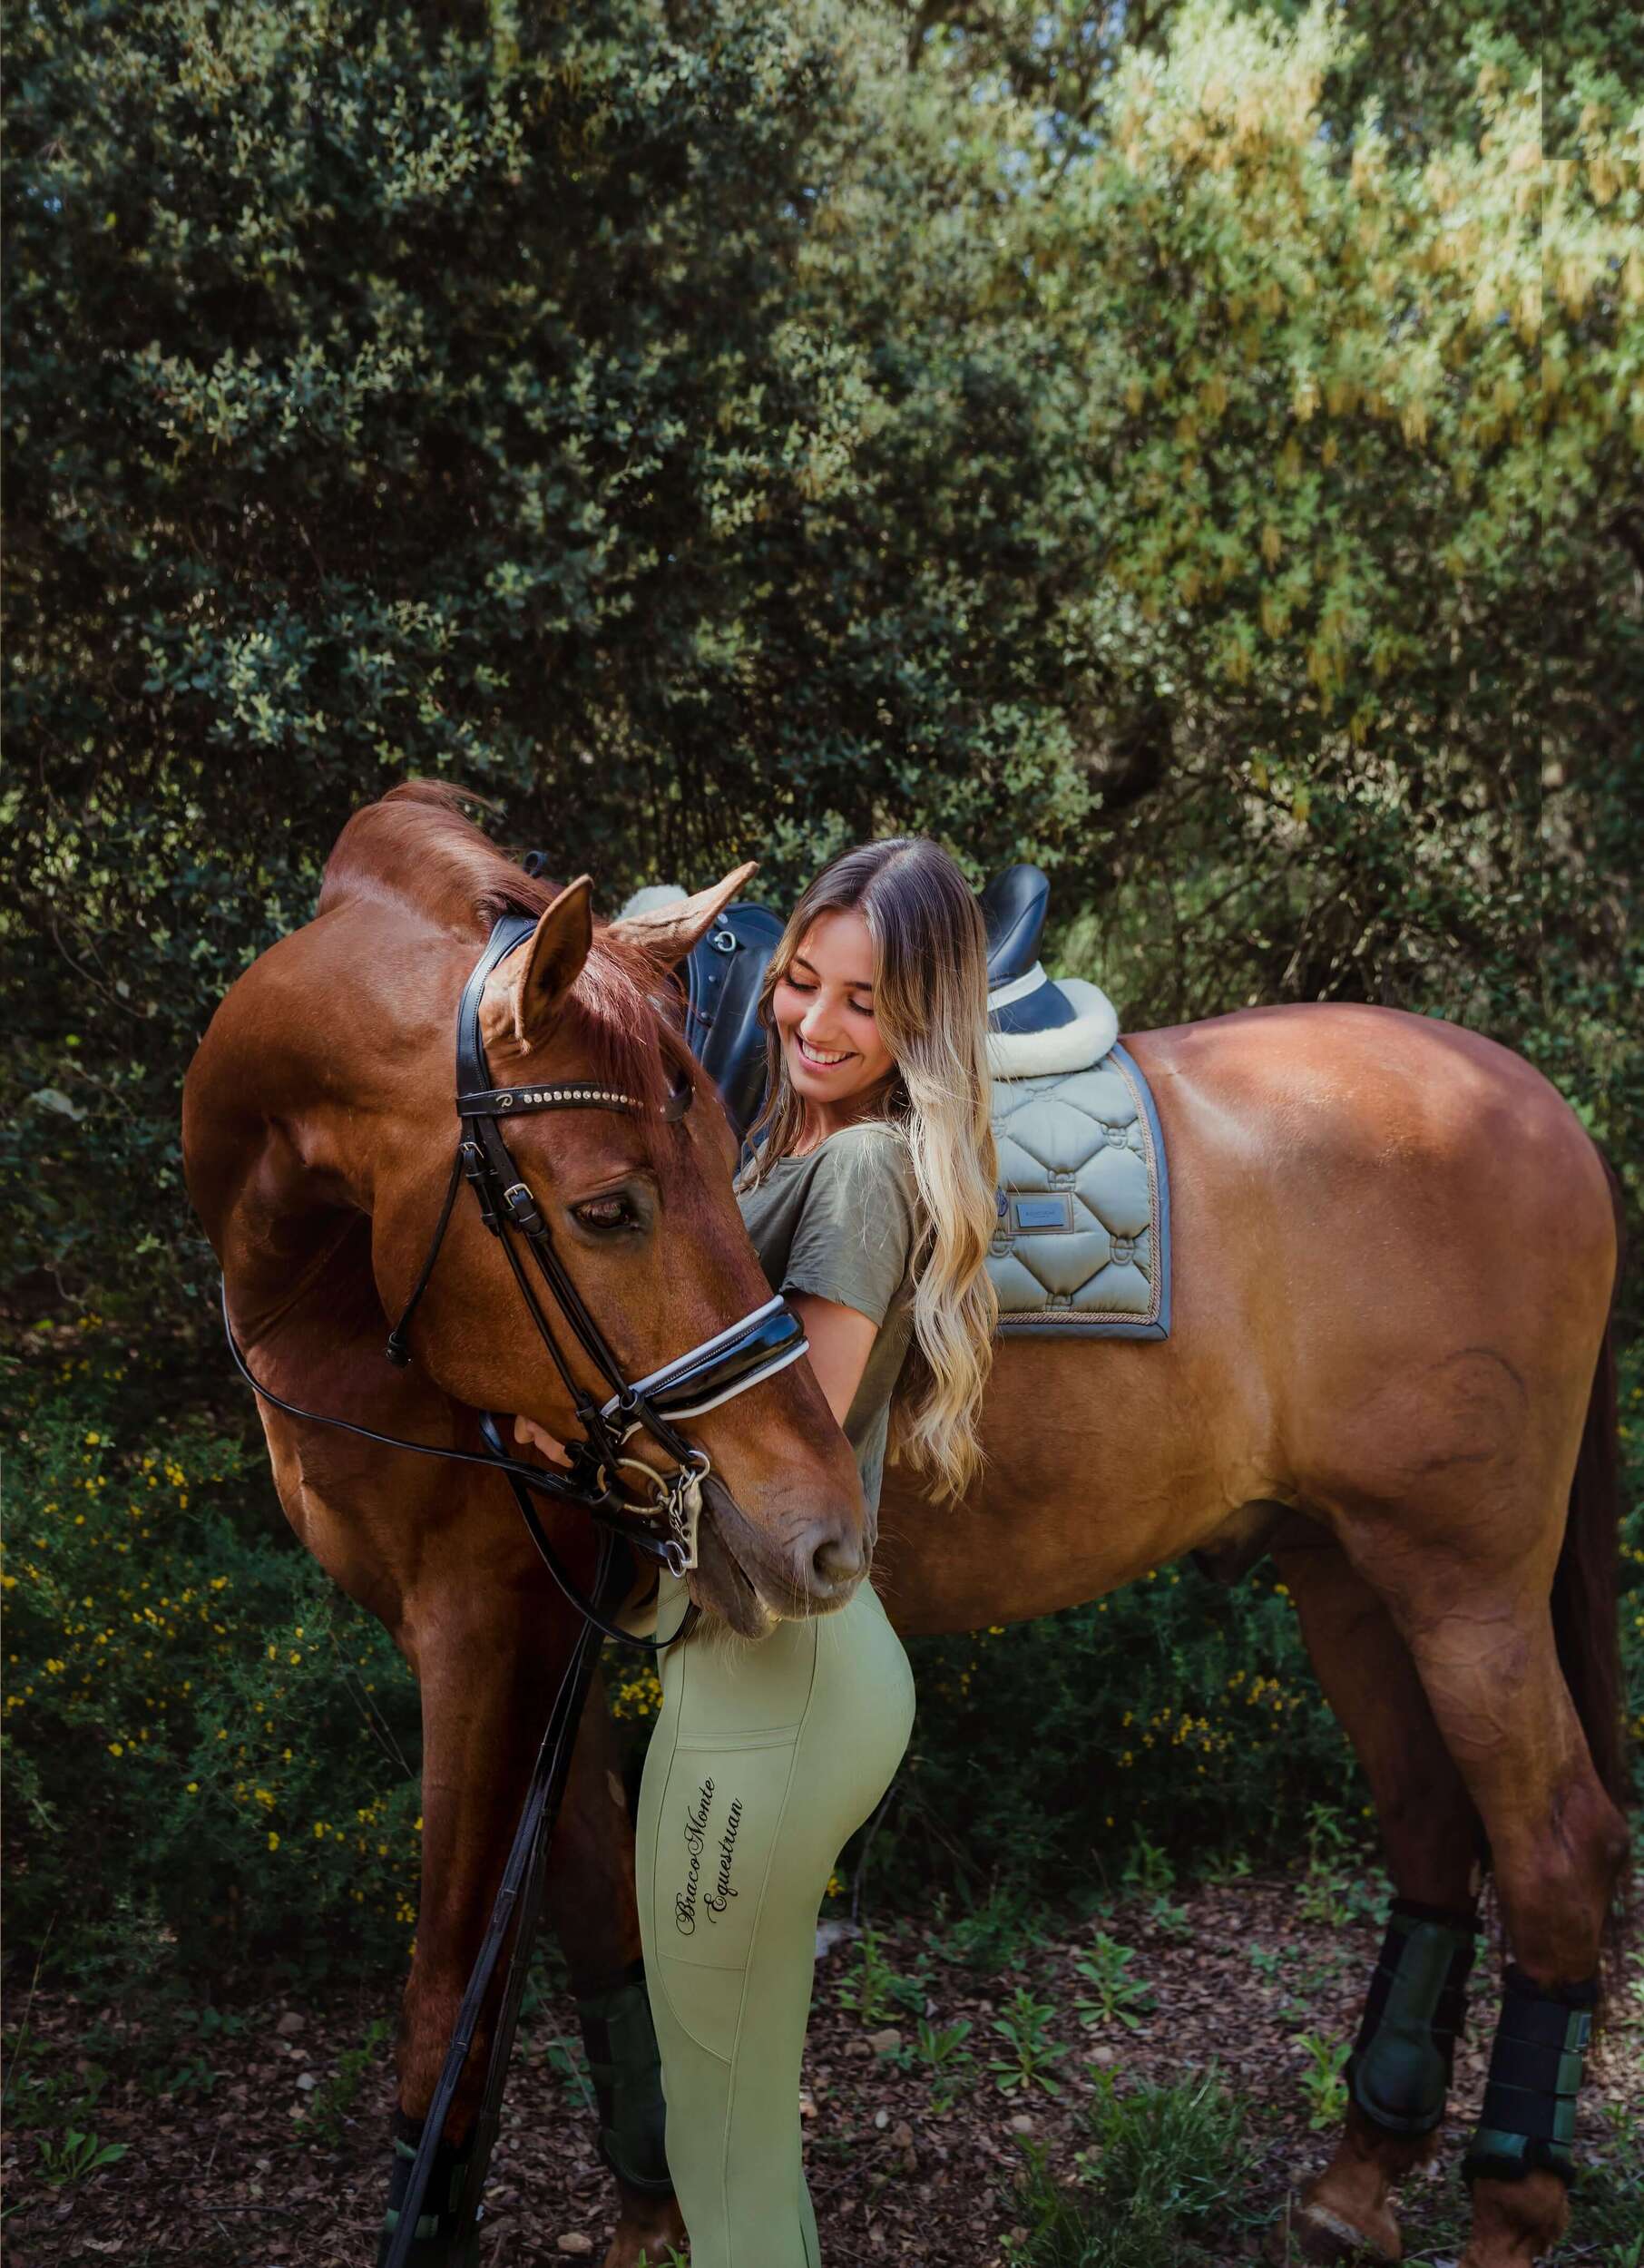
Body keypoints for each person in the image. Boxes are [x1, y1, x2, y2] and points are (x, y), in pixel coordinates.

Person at [521, 836, 1000, 2267]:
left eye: (869, 1003)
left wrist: (573, 1442)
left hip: (787, 1679)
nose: (816, 1024)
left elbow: (775, 1486)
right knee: (726, 2110)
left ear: (925, 1026)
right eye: (803, 981)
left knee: (721, 2127)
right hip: (737, 1677)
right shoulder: (758, 1142)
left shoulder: (857, 1170)